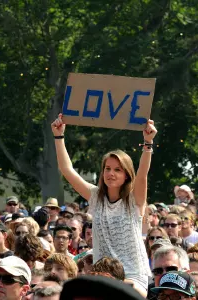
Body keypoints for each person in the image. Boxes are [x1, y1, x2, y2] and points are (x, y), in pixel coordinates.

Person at [51, 114, 157, 295]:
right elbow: (67, 171)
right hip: (102, 274)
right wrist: (59, 137)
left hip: (133, 275)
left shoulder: (134, 201)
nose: (111, 173)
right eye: (107, 168)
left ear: (127, 175)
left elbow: (142, 176)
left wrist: (147, 144)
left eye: (117, 169)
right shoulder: (95, 196)